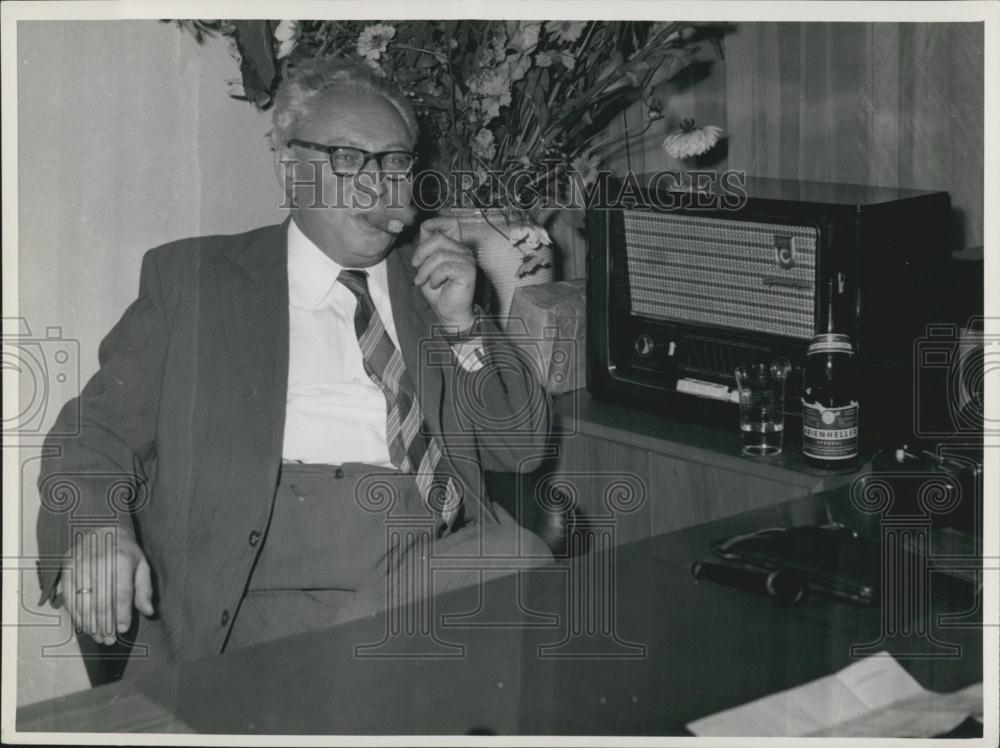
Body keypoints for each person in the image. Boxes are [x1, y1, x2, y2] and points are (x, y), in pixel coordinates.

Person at [36, 58, 553, 679]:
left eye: (394, 162)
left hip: (428, 570)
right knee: (501, 580)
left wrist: (463, 324)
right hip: (255, 596)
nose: (378, 187)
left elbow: (521, 449)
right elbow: (93, 435)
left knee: (516, 556)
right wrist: (96, 529)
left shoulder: (434, 287)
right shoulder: (196, 283)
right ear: (289, 169)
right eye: (348, 158)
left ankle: (343, 674)